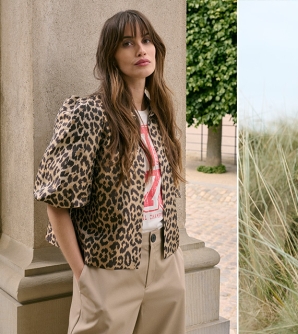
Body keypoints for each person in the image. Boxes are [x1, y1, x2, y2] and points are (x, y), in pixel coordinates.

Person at [33, 10, 186, 334]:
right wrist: (84, 276)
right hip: (108, 266)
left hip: (165, 261)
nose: (141, 50)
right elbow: (56, 202)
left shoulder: (161, 116)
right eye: (128, 43)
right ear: (111, 55)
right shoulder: (88, 114)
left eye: (146, 41)